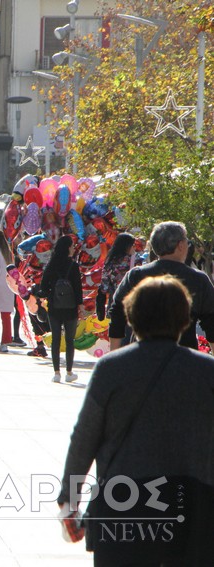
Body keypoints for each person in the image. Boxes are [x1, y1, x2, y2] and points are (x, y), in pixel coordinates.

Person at [58, 276, 214, 565]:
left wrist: (68, 498)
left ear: (132, 316)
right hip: (194, 504)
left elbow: (85, 436)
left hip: (124, 501)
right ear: (184, 318)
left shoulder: (111, 368)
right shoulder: (207, 371)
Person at [109, 221, 214, 351]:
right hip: (184, 358)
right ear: (180, 245)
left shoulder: (137, 275)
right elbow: (211, 322)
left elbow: (117, 312)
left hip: (140, 356)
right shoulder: (198, 279)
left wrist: (114, 352)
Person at [39, 235, 83, 383]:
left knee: (56, 339)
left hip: (54, 306)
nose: (73, 248)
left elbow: (43, 287)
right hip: (70, 307)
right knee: (70, 339)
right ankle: (69, 372)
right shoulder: (74, 266)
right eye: (72, 246)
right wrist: (80, 305)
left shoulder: (51, 265)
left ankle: (56, 372)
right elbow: (78, 288)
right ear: (67, 248)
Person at [96, 232, 136, 322]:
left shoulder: (110, 261)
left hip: (115, 299)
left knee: (117, 330)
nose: (134, 247)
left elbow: (104, 285)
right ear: (127, 246)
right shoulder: (136, 260)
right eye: (133, 245)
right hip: (133, 300)